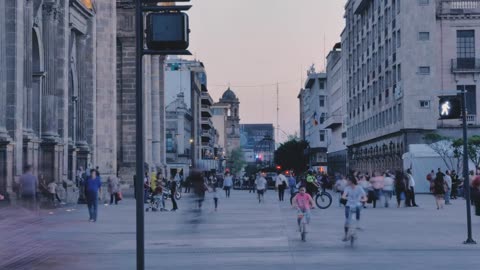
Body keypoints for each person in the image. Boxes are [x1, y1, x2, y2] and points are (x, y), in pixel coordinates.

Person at [342, 175, 367, 242]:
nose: (347, 181)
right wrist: (346, 198)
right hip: (349, 205)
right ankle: (346, 234)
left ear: (351, 181)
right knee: (347, 221)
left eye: (348, 180)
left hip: (357, 204)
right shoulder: (347, 188)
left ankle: (358, 224)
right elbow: (343, 196)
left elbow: (365, 196)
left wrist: (363, 200)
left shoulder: (359, 188)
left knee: (358, 207)